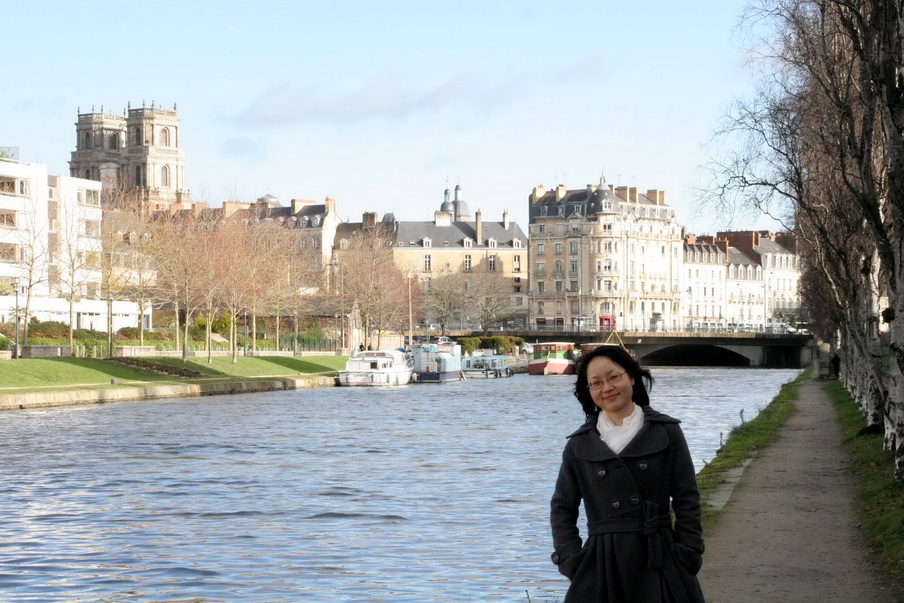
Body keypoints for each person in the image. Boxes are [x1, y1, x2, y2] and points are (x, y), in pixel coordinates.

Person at [550, 345, 705, 602]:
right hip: (602, 562)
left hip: (660, 557)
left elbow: (687, 496)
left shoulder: (666, 432)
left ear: (631, 377)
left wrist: (689, 549)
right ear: (588, 391)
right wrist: (570, 558)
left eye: (614, 377)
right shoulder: (579, 445)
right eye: (595, 383)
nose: (607, 388)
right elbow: (562, 507)